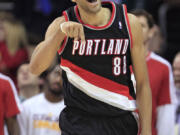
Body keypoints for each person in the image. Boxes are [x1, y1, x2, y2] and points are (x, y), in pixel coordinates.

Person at [29, 0, 152, 135]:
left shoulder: (129, 23)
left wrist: (146, 130)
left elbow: (143, 83)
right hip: (79, 122)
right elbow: (35, 68)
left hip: (120, 121)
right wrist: (59, 34)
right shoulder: (61, 24)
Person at [131, 9, 177, 135]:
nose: (136, 29)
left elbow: (165, 110)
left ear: (151, 32)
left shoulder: (163, 67)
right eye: (132, 25)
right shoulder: (115, 62)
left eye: (142, 25)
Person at [18, 65, 65, 135]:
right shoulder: (27, 106)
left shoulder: (69, 111)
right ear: (48, 75)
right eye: (56, 73)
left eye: (63, 77)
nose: (58, 79)